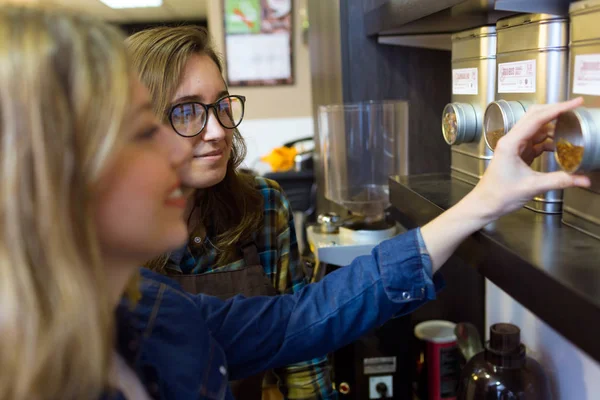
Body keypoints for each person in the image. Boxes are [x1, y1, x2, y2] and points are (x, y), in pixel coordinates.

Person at [0, 4, 590, 400]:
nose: (204, 136)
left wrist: (483, 200)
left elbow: (298, 320)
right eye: (147, 128)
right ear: (52, 171)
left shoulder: (149, 308)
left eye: (218, 107)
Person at [126, 26, 336, 399]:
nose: (217, 131)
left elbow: (302, 342)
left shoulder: (263, 205)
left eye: (221, 106)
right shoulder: (107, 235)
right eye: (187, 111)